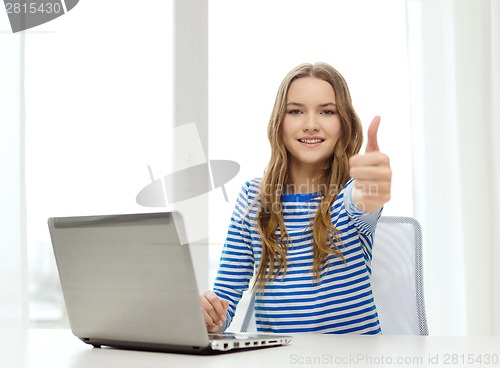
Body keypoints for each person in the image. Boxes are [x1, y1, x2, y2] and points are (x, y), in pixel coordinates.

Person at [200, 62, 392, 335]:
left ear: (343, 123)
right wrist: (210, 316)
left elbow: (364, 200)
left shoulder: (349, 194)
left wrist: (373, 186)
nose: (311, 125)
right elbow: (225, 300)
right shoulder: (253, 198)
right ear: (279, 122)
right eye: (296, 111)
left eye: (327, 112)